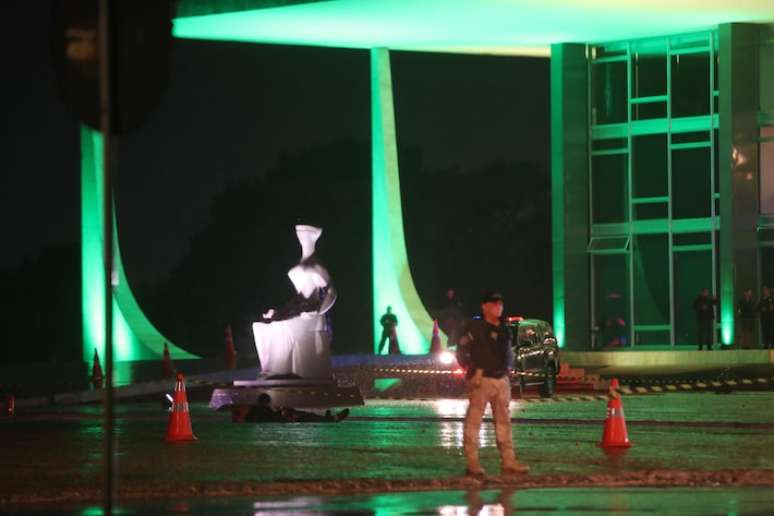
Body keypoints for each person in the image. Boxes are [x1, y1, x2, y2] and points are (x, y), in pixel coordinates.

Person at [456, 292, 528, 478]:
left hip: (501, 379)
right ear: (484, 306)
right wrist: (471, 369)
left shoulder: (504, 328)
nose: (499, 307)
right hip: (482, 378)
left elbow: (508, 353)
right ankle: (472, 462)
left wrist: (508, 370)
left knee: (504, 422)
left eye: (500, 304)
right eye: (494, 304)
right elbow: (462, 350)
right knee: (474, 421)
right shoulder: (475, 327)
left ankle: (508, 460)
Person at [243, 393, 349, 423]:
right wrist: (282, 413)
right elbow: (269, 419)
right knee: (308, 417)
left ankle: (328, 419)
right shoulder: (259, 410)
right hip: (288, 419)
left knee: (308, 416)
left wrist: (282, 412)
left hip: (287, 417)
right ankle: (331, 419)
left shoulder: (258, 410)